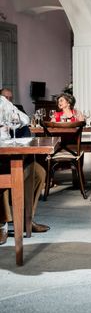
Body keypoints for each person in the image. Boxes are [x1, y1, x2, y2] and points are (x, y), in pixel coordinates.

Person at [0, 93, 48, 236]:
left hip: (8, 150)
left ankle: (26, 219)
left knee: (38, 172)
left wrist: (10, 121)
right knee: (6, 175)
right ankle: (3, 223)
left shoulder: (3, 101)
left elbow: (25, 118)